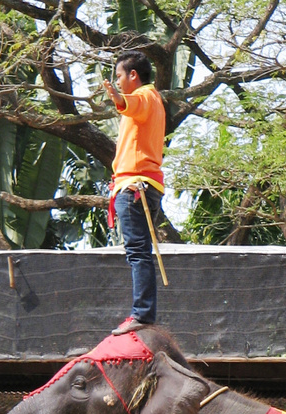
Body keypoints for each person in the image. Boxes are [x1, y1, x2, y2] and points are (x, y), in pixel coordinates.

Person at [103, 49, 166, 334]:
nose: (116, 82)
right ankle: (142, 313)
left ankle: (142, 314)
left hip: (135, 187)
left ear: (133, 75)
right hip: (142, 186)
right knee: (139, 252)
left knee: (137, 253)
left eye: (119, 76)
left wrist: (118, 99)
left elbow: (132, 103)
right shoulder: (153, 99)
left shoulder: (145, 97)